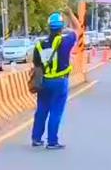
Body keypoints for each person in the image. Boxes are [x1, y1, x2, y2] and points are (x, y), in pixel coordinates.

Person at [31, 10, 79, 150]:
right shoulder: (65, 41)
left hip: (44, 82)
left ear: (49, 26)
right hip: (59, 82)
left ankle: (36, 139)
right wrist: (70, 14)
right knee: (56, 112)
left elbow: (36, 65)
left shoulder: (39, 45)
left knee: (41, 110)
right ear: (61, 27)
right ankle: (52, 142)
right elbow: (77, 28)